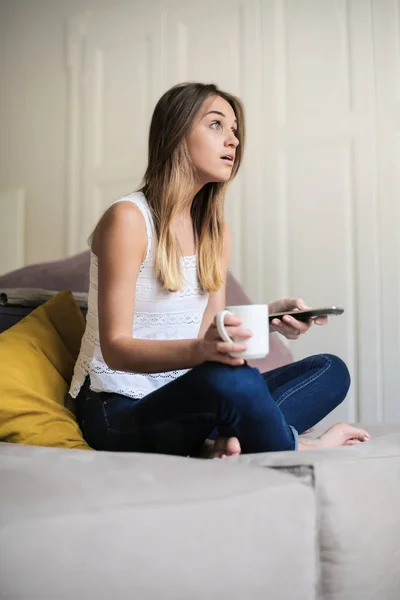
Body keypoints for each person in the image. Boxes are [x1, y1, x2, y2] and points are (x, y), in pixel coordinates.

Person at [69, 82, 370, 457]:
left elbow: (211, 330)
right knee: (232, 381)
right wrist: (203, 353)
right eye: (216, 125)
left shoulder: (216, 232)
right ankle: (300, 445)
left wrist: (266, 320)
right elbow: (115, 349)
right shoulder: (128, 219)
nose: (233, 141)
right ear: (177, 132)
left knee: (330, 369)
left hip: (192, 396)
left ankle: (222, 440)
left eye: (234, 131)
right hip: (119, 408)